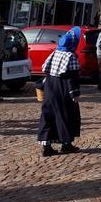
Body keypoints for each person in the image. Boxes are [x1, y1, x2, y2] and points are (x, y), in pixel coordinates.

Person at [37, 26, 82, 156]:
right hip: (63, 89)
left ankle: (46, 146)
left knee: (48, 115)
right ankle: (66, 144)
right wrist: (75, 93)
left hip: (51, 87)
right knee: (66, 115)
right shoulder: (70, 56)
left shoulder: (55, 52)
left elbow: (46, 69)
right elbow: (71, 77)